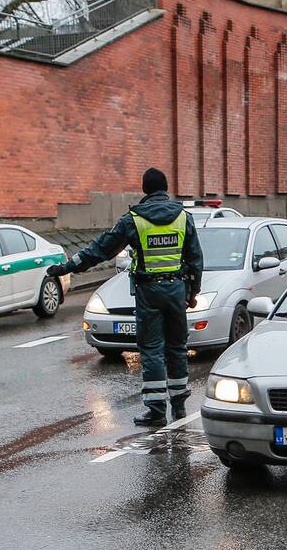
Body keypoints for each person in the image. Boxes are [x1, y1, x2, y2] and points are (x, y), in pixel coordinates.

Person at [47, 168, 204, 427]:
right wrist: (192, 293)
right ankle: (179, 405)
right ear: (166, 188)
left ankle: (156, 409)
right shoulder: (183, 218)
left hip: (149, 292)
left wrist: (66, 267)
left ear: (145, 189)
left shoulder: (133, 219)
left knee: (152, 349)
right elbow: (196, 259)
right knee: (176, 347)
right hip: (176, 290)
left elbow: (100, 250)